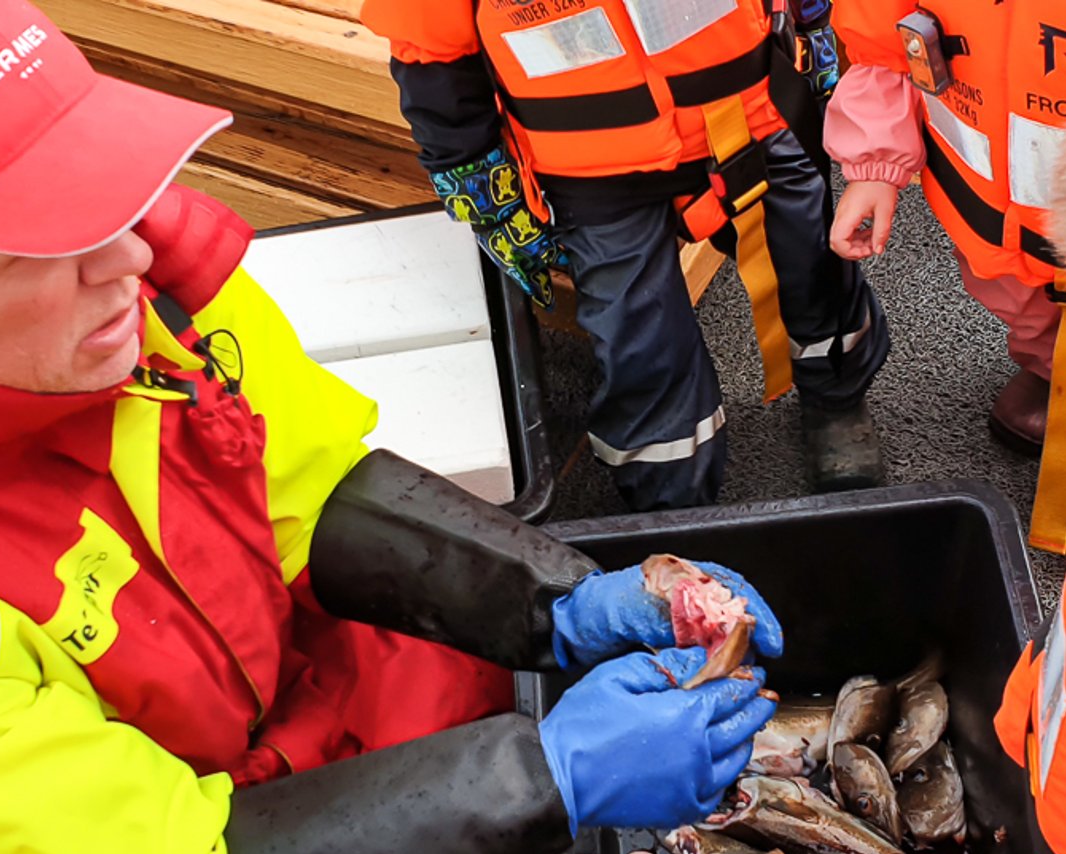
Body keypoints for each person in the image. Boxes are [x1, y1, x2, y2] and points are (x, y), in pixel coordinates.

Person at [0, 1, 782, 854]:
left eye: (104, 184)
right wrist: (541, 779)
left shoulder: (124, 276)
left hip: (288, 677)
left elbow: (302, 478)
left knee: (482, 698)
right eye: (41, 238)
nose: (131, 251)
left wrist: (556, 600)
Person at [358, 0, 890, 512]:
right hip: (588, 166)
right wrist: (474, 175)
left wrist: (817, 29)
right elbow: (430, 49)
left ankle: (836, 396)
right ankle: (672, 501)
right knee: (640, 340)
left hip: (749, 110)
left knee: (811, 259)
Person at [826, 1, 1066, 552]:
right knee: (1017, 303)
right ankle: (1047, 367)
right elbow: (880, 40)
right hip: (988, 204)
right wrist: (875, 164)